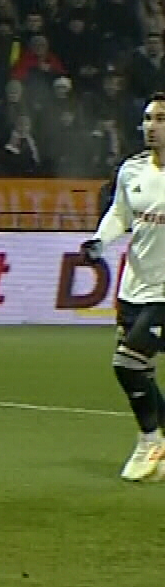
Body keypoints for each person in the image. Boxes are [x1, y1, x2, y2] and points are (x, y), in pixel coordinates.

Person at [81, 94, 165, 482]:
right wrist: (100, 241)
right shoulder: (132, 170)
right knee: (140, 369)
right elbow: (120, 213)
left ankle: (150, 440)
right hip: (133, 288)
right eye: (148, 119)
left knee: (126, 364)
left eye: (160, 119)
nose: (151, 126)